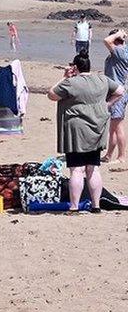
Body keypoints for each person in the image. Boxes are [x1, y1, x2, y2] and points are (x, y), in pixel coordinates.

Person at [47, 51, 125, 211]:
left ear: (75, 67)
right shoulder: (102, 79)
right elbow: (120, 91)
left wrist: (65, 77)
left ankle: (74, 206)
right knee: (93, 167)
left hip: (76, 130)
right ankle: (96, 205)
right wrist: (107, 104)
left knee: (76, 169)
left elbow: (51, 94)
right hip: (96, 128)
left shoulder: (71, 83)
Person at [103, 29, 128, 163]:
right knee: (112, 127)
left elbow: (106, 41)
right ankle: (109, 155)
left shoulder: (119, 51)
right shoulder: (123, 50)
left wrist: (119, 34)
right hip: (116, 91)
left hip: (117, 93)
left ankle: (122, 156)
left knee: (117, 126)